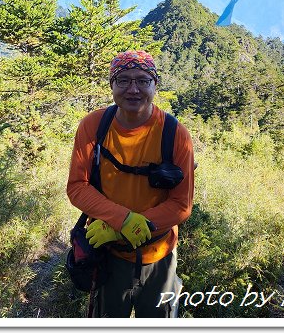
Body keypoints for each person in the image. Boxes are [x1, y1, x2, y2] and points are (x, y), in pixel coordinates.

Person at [67, 50, 195, 318]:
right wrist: (122, 220)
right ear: (112, 85)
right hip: (108, 256)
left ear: (155, 85)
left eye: (142, 80)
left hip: (160, 256)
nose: (133, 89)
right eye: (123, 80)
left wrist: (131, 226)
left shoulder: (175, 135)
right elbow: (77, 186)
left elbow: (181, 205)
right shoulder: (94, 126)